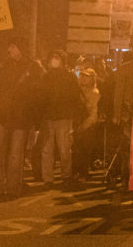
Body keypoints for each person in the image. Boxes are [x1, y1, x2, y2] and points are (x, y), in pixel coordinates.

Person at [0, 37, 33, 198]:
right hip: (2, 115)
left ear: (20, 48)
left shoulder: (32, 67)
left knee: (15, 154)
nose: (9, 50)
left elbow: (36, 93)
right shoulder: (4, 66)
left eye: (12, 47)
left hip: (20, 117)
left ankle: (13, 188)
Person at [39, 49, 83, 189]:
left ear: (62, 61)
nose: (54, 60)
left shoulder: (69, 77)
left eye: (57, 58)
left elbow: (76, 97)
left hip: (64, 118)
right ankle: (48, 179)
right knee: (47, 150)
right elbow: (40, 96)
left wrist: (74, 117)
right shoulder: (46, 77)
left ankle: (66, 176)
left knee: (64, 149)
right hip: (48, 118)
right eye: (52, 57)